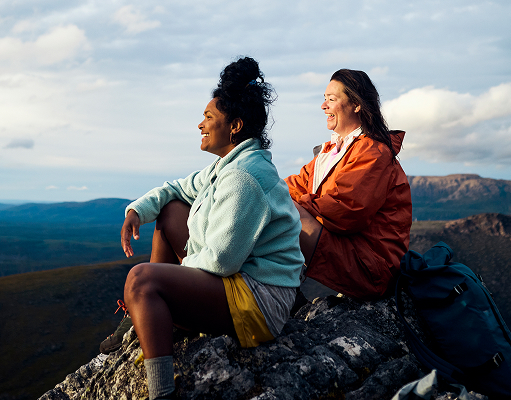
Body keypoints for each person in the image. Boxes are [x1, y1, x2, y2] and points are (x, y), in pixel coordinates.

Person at [106, 57, 304, 400]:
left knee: (141, 279)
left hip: (259, 300)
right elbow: (175, 189)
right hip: (239, 279)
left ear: (235, 126)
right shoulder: (228, 166)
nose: (200, 124)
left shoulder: (244, 178)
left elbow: (223, 261)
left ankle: (162, 390)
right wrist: (137, 210)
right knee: (169, 213)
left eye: (209, 117)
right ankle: (158, 316)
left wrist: (171, 277)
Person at [285, 69, 412, 301]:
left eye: (331, 100)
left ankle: (265, 299)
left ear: (356, 104)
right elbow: (291, 186)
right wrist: (257, 188)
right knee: (265, 203)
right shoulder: (330, 152)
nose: (324, 106)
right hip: (349, 251)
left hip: (371, 266)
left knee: (278, 211)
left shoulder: (374, 151)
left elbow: (345, 210)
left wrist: (292, 205)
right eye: (324, 99)